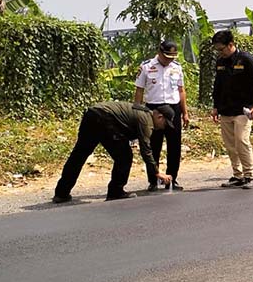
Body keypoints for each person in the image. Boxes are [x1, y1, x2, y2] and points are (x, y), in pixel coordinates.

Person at [53, 102, 174, 203]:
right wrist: (157, 173)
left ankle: (61, 193)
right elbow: (145, 150)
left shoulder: (144, 114)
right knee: (124, 156)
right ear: (160, 117)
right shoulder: (147, 121)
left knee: (79, 155)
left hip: (92, 114)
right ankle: (115, 191)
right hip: (104, 118)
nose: (163, 128)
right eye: (165, 124)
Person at [134, 40, 189, 191]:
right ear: (159, 52)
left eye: (172, 57)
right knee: (153, 145)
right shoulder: (146, 66)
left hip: (173, 109)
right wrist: (137, 113)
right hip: (154, 109)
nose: (169, 60)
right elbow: (139, 91)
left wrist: (185, 112)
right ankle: (153, 180)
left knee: (174, 146)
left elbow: (181, 90)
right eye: (166, 57)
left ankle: (172, 179)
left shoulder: (177, 67)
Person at [210, 30, 253, 189]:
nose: (220, 52)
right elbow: (218, 85)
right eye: (217, 50)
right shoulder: (220, 62)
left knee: (241, 141)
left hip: (243, 109)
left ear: (231, 45)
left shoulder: (246, 60)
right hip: (226, 109)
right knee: (230, 145)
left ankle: (249, 175)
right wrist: (215, 106)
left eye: (221, 49)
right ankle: (237, 175)